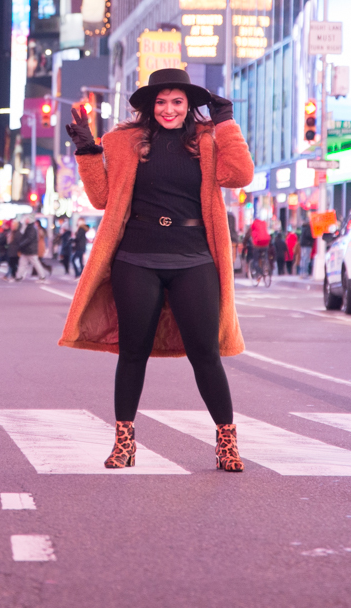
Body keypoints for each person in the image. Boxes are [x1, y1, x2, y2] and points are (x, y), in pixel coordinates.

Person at [59, 67, 254, 472]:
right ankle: (124, 444)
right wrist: (88, 151)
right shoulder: (122, 141)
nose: (168, 109)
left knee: (206, 354)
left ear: (188, 106)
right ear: (150, 106)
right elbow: (100, 199)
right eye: (161, 102)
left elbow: (240, 175)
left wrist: (226, 122)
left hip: (194, 258)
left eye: (177, 102)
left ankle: (227, 445)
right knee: (132, 353)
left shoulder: (208, 141)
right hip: (137, 258)